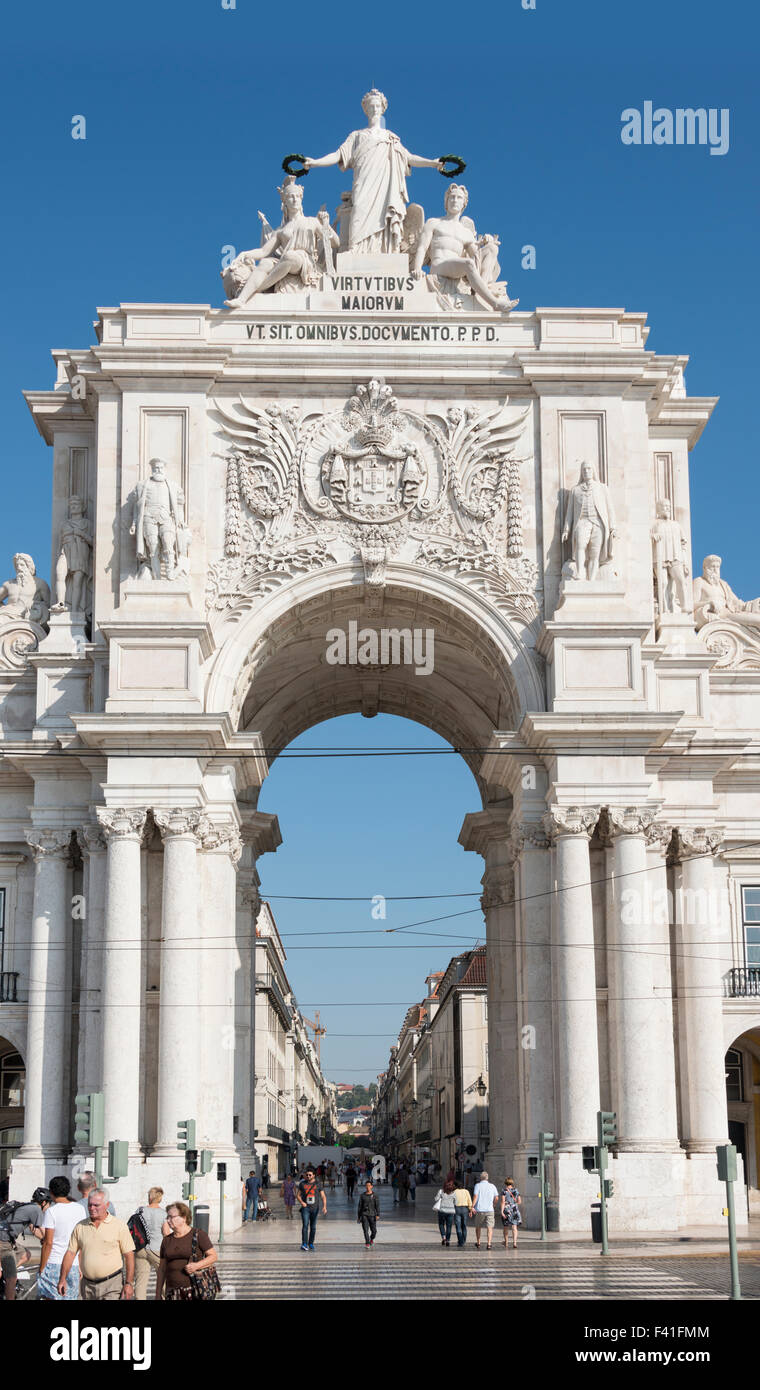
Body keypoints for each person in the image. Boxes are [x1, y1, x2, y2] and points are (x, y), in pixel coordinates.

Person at [303, 89, 443, 254]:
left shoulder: (391, 138)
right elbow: (337, 155)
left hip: (386, 185)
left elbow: (409, 157)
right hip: (364, 181)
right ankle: (355, 249)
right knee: (359, 209)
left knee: (384, 213)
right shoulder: (356, 136)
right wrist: (315, 163)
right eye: (371, 105)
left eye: (377, 105)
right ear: (365, 109)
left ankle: (386, 249)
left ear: (382, 108)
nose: (374, 108)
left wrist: (432, 163)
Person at [413, 184, 518, 313]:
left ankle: (481, 291)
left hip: (457, 268)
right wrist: (417, 268)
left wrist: (486, 242)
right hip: (439, 266)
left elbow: (476, 257)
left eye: (459, 198)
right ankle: (495, 303)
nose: (455, 200)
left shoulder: (466, 232)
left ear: (464, 203)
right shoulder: (434, 222)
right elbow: (422, 248)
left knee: (492, 249)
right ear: (446, 201)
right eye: (451, 197)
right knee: (467, 264)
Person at [58, 1188, 135, 1300]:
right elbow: (70, 1253)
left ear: (107, 1205)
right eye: (90, 1205)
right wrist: (62, 1279)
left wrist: (128, 1283)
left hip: (111, 1285)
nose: (91, 1208)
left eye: (96, 1205)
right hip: (87, 1286)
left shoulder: (119, 1226)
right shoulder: (80, 1226)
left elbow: (129, 1256)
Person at [155, 1202, 218, 1301]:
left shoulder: (198, 1235)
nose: (168, 1220)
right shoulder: (166, 1240)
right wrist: (158, 1294)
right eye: (167, 1217)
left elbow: (213, 1256)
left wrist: (197, 1266)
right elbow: (162, 1269)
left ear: (184, 1218)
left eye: (171, 1217)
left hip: (195, 1291)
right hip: (172, 1292)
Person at [37, 1176, 86, 1300]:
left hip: (54, 1261)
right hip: (73, 1263)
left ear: (51, 1192)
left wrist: (42, 1267)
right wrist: (79, 1264)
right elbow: (80, 1240)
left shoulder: (52, 1212)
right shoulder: (79, 1209)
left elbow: (48, 1242)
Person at [0, 1186, 50, 1300]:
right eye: (48, 1204)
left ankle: (4, 1271)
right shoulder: (36, 1210)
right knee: (11, 1278)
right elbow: (43, 1231)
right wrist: (49, 1242)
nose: (48, 1207)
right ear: (44, 1202)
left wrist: (44, 1239)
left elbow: (34, 1230)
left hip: (7, 1241)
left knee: (25, 1254)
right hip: (4, 1242)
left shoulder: (27, 1206)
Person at [133, 1187, 170, 1301]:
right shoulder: (163, 1213)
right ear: (160, 1198)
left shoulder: (140, 1211)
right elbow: (166, 1233)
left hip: (140, 1248)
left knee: (141, 1280)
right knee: (164, 1278)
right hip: (157, 1249)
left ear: (150, 1197)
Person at [297, 1167, 327, 1251]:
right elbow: (298, 1195)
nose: (308, 1176)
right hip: (305, 1208)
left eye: (310, 1175)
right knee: (305, 1225)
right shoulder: (302, 1184)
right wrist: (302, 1202)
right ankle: (304, 1243)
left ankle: (311, 1243)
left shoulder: (318, 1184)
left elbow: (323, 1196)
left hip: (315, 1208)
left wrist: (324, 1206)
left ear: (314, 1175)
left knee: (313, 1227)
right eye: (307, 1175)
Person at [471, 1171, 500, 1251]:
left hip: (480, 1209)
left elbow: (475, 1196)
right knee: (490, 1227)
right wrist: (493, 1205)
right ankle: (489, 1244)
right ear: (487, 1178)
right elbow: (496, 1198)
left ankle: (478, 1242)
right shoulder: (492, 1186)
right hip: (490, 1209)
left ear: (481, 1178)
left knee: (478, 1226)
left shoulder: (477, 1185)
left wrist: (472, 1206)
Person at [500, 1177, 522, 1249]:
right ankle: (514, 1243)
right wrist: (514, 1203)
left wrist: (502, 1211)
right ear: (512, 1183)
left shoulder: (504, 1191)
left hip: (507, 1210)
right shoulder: (516, 1190)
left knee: (506, 1227)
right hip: (514, 1209)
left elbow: (503, 1202)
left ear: (505, 1183)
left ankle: (506, 1242)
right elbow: (519, 1201)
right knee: (514, 1227)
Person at [357, 1180, 380, 1248]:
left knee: (374, 1231)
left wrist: (378, 1214)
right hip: (364, 1215)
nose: (368, 1187)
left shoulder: (375, 1195)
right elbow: (359, 1206)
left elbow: (377, 1205)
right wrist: (359, 1217)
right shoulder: (362, 1195)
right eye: (366, 1185)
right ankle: (367, 1243)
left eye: (369, 1185)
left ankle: (371, 1239)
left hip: (372, 1215)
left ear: (372, 1186)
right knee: (365, 1230)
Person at [435, 1178, 457, 1246]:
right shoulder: (454, 1193)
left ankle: (443, 1237)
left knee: (441, 1224)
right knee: (449, 1226)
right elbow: (456, 1203)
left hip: (442, 1211)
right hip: (451, 1212)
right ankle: (448, 1240)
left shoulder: (441, 1191)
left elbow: (436, 1199)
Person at [452, 1180, 472, 1248]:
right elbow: (469, 1200)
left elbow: (452, 1201)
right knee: (464, 1225)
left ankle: (460, 1241)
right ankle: (463, 1240)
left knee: (458, 1226)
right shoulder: (466, 1191)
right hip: (465, 1209)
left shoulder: (454, 1192)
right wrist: (470, 1209)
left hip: (457, 1209)